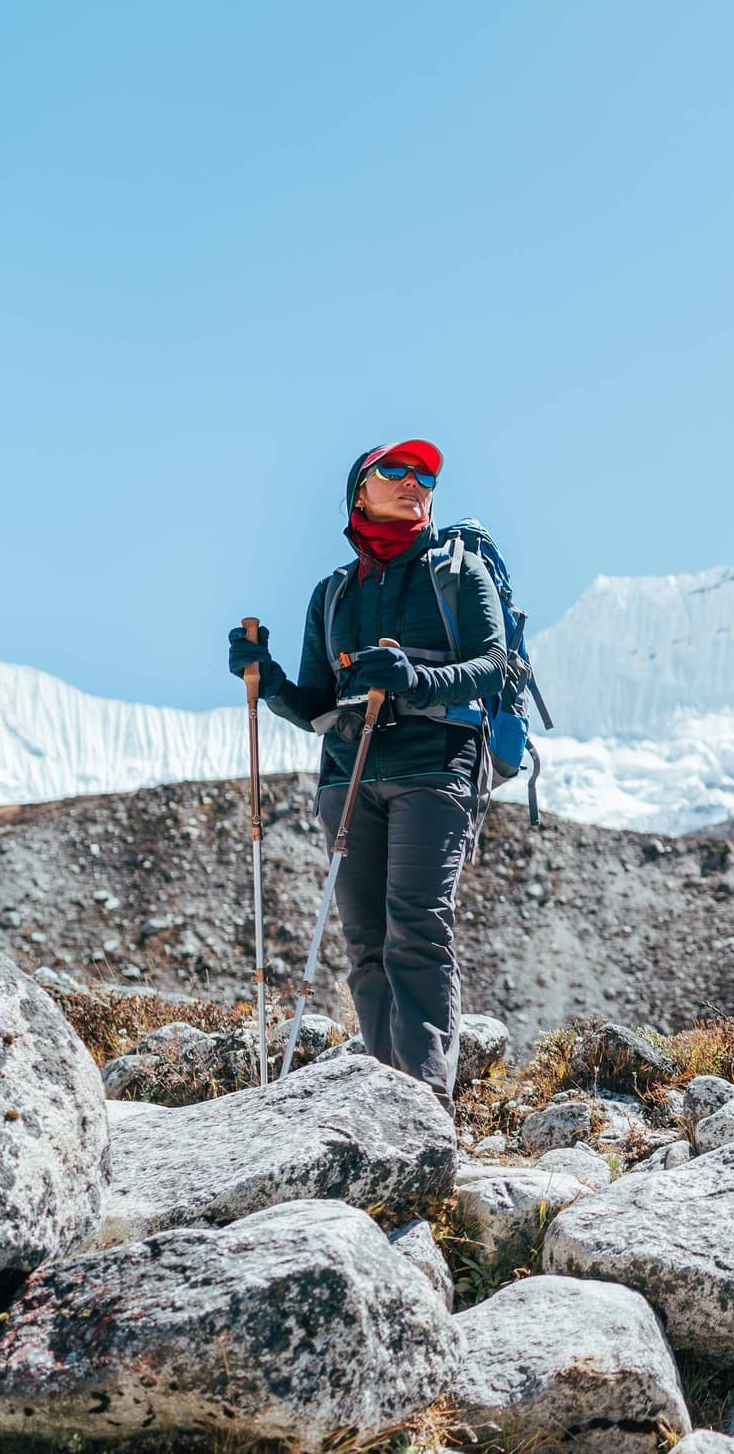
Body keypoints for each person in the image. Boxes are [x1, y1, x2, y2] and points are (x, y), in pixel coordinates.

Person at [226, 439, 505, 1109]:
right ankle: (388, 1098)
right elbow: (320, 706)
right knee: (364, 943)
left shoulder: (459, 575)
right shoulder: (332, 595)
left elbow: (495, 664)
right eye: (396, 471)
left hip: (435, 770)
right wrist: (266, 681)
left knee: (416, 930)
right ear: (360, 492)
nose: (415, 481)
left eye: (425, 474)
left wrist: (419, 677)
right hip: (344, 777)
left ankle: (427, 1102)